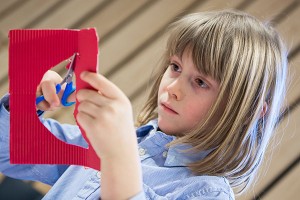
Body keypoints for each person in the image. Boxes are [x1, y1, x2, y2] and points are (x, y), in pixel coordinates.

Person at [0, 9, 288, 199]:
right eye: (175, 67)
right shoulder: (108, 143)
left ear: (247, 112)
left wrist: (117, 156)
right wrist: (24, 104)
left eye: (201, 82)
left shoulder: (206, 192)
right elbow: (8, 152)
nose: (173, 88)